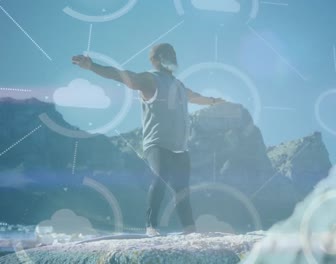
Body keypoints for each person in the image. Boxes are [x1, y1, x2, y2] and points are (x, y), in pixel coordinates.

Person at [72, 43, 226, 236]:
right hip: (157, 144)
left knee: (182, 190)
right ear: (155, 60)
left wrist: (215, 102)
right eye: (166, 54)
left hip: (180, 147)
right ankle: (151, 227)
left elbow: (197, 97)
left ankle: (190, 230)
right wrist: (92, 66)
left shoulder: (179, 86)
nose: (171, 57)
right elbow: (120, 75)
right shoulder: (149, 80)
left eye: (173, 53)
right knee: (160, 179)